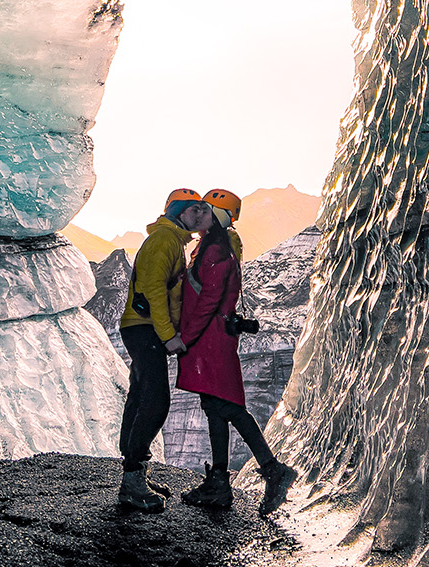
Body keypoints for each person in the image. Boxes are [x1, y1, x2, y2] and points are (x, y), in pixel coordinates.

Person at [176, 188, 298, 515]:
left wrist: (184, 336)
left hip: (209, 339)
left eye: (205, 211)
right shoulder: (215, 246)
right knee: (216, 406)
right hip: (214, 337)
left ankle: (272, 471)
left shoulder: (215, 250)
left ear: (217, 216)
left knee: (226, 406)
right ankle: (221, 482)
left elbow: (208, 302)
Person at [117, 187, 213, 511]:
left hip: (141, 327)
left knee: (140, 395)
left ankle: (134, 471)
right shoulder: (165, 241)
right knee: (156, 403)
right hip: (145, 328)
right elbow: (153, 290)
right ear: (177, 213)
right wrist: (168, 334)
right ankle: (132, 482)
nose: (199, 216)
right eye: (193, 210)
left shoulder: (172, 240)